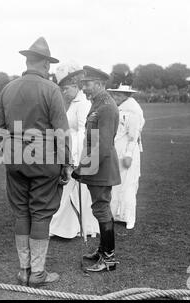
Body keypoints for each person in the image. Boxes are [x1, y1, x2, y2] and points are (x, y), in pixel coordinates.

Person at [0, 37, 73, 287]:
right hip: (44, 160)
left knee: (21, 212)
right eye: (48, 63)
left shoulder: (7, 88)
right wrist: (66, 164)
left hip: (14, 159)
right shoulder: (51, 90)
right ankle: (38, 273)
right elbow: (61, 133)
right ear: (44, 64)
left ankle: (24, 270)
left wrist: (9, 154)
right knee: (40, 213)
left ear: (27, 61)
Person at [72, 66, 121, 272]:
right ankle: (103, 250)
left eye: (88, 84)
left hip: (101, 167)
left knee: (101, 209)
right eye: (82, 84)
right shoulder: (98, 104)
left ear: (100, 84)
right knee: (100, 208)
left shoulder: (106, 107)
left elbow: (103, 146)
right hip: (96, 166)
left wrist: (84, 169)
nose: (83, 89)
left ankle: (109, 258)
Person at [49, 62, 99, 239]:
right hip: (71, 150)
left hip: (78, 154)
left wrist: (74, 159)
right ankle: (66, 227)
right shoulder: (74, 102)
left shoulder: (83, 103)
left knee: (72, 192)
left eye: (66, 88)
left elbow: (84, 132)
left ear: (75, 86)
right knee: (67, 192)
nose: (64, 92)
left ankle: (70, 227)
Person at [108, 84, 145, 229]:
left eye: (118, 95)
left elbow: (133, 136)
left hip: (127, 152)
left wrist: (129, 154)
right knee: (116, 183)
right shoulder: (120, 108)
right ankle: (117, 214)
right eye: (114, 94)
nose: (115, 97)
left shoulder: (133, 110)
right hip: (117, 149)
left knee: (128, 184)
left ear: (125, 95)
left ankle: (129, 217)